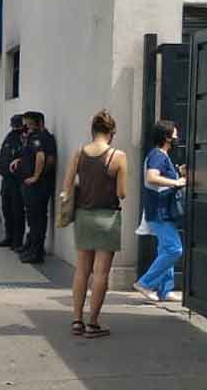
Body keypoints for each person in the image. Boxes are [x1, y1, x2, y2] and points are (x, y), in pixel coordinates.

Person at [62, 110, 127, 339]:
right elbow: (122, 192)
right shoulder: (117, 156)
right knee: (101, 273)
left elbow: (67, 186)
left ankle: (77, 320)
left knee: (82, 270)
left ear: (93, 130)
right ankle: (93, 323)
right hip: (107, 218)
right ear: (112, 133)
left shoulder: (80, 153)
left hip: (83, 216)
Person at [134, 120, 186, 302]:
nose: (177, 137)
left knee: (165, 248)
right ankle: (146, 283)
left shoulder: (160, 156)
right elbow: (152, 177)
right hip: (159, 211)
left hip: (162, 210)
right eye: (175, 134)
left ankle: (165, 289)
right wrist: (176, 182)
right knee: (174, 249)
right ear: (166, 137)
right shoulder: (158, 156)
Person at [16, 111, 57, 264]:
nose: (27, 127)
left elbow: (42, 157)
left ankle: (36, 252)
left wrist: (35, 177)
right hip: (34, 186)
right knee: (34, 219)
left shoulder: (39, 138)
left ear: (38, 123)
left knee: (36, 219)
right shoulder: (37, 137)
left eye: (29, 124)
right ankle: (33, 248)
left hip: (37, 187)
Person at [0, 115, 26, 250]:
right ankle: (9, 236)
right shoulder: (10, 136)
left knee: (17, 210)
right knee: (7, 209)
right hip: (6, 178)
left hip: (17, 180)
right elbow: (2, 154)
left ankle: (17, 240)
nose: (14, 127)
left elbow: (25, 156)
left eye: (16, 124)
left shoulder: (23, 137)